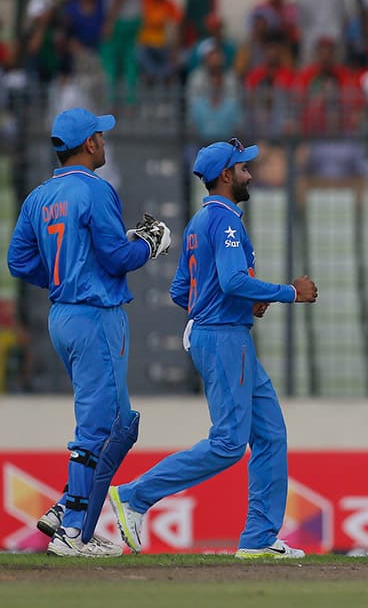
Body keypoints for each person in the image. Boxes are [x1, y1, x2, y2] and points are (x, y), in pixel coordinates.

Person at [107, 139, 319, 559]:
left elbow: (181, 289)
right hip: (224, 337)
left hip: (224, 331)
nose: (249, 174)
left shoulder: (200, 221)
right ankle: (134, 495)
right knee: (227, 443)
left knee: (271, 435)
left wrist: (230, 302)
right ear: (227, 175)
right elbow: (232, 281)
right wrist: (289, 292)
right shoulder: (225, 223)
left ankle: (259, 539)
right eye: (243, 168)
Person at [8, 108, 171, 557]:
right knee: (99, 426)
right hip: (96, 313)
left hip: (63, 313)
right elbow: (119, 257)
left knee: (122, 424)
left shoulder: (40, 196)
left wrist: (63, 276)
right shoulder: (96, 190)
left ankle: (68, 506)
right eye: (101, 135)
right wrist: (149, 243)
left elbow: (18, 262)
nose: (104, 141)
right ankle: (74, 531)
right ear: (91, 144)